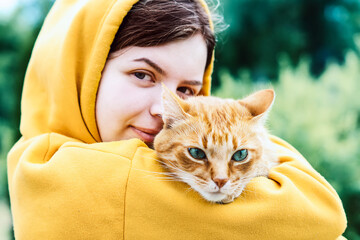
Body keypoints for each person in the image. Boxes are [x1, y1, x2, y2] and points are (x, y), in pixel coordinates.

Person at [7, 0, 347, 239]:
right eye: (143, 74)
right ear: (82, 70)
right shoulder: (76, 175)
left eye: (187, 89)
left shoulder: (32, 157)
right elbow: (321, 208)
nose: (164, 108)